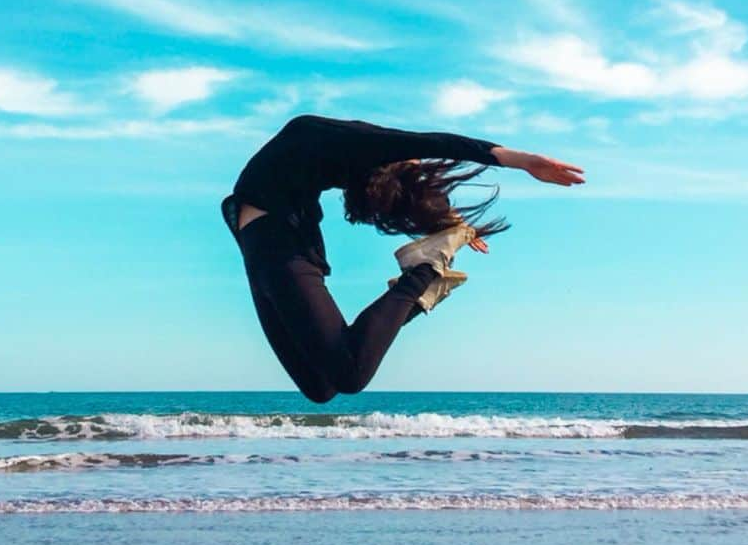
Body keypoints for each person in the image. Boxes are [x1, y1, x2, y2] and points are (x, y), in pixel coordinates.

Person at [221, 113, 584, 403]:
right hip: (264, 244)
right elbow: (438, 144)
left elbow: (437, 148)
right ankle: (426, 279)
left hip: (278, 243)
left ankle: (424, 272)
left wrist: (519, 163)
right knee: (320, 387)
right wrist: (519, 162)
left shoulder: (363, 158)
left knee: (348, 374)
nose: (420, 162)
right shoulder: (363, 143)